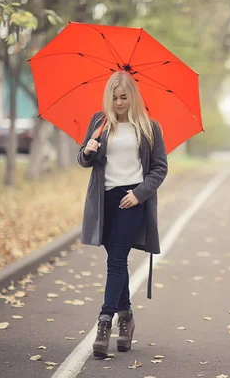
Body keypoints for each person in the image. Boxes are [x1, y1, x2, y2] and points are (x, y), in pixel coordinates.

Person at [77, 70, 168, 359]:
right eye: (114, 97)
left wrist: (139, 194)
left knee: (117, 260)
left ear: (133, 97)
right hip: (104, 202)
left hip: (132, 200)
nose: (118, 103)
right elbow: (82, 159)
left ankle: (105, 321)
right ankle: (126, 316)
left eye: (124, 97)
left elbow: (160, 168)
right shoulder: (99, 123)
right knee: (115, 261)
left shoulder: (149, 127)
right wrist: (88, 150)